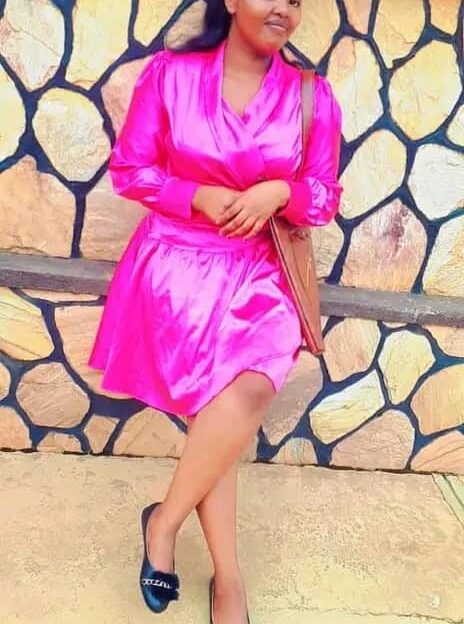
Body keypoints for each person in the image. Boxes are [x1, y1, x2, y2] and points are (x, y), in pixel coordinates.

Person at [88, 0, 343, 621]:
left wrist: (281, 191)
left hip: (262, 270)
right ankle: (229, 581)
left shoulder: (312, 96)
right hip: (179, 267)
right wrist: (195, 194)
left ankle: (163, 523)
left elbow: (324, 196)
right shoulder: (169, 76)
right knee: (217, 428)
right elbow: (130, 171)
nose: (285, 8)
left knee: (250, 389)